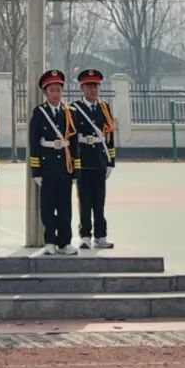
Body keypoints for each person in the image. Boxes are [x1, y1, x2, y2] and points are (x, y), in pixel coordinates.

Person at [29, 68, 79, 255]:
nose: (56, 94)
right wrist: (36, 171)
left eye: (58, 90)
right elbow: (34, 142)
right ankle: (50, 240)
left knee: (65, 206)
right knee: (48, 206)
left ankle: (65, 242)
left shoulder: (70, 112)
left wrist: (75, 170)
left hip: (65, 166)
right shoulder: (40, 113)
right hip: (47, 165)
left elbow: (74, 143)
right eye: (52, 90)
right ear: (45, 92)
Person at [71, 68, 116, 249]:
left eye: (95, 86)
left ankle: (100, 235)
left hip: (99, 159)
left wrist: (110, 161)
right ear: (82, 88)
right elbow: (72, 138)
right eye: (89, 86)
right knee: (85, 201)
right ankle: (85, 236)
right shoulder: (74, 109)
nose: (93, 90)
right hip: (83, 160)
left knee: (99, 201)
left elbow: (109, 136)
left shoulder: (104, 108)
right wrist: (74, 162)